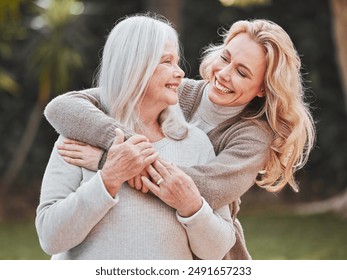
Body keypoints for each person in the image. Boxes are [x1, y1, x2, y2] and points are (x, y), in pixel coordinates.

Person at [43, 19, 316, 259]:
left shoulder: (253, 137)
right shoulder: (174, 90)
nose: (223, 73)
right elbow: (64, 107)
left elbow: (204, 188)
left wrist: (109, 162)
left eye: (242, 73)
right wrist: (125, 147)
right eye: (225, 57)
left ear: (262, 90)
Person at [35, 14, 236, 260]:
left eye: (177, 61)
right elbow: (50, 237)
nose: (181, 72)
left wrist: (191, 206)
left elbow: (218, 250)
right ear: (134, 66)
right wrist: (109, 178)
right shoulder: (79, 135)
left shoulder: (195, 143)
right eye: (167, 61)